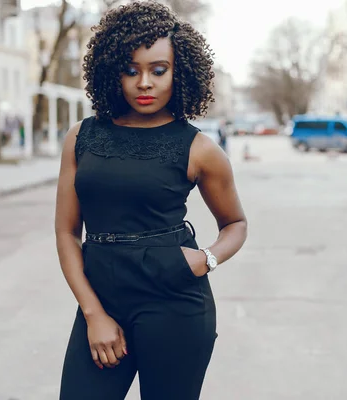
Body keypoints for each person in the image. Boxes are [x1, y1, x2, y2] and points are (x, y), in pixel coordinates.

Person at [54, 2, 247, 399]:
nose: (144, 82)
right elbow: (66, 231)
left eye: (158, 70)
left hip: (173, 297)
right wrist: (93, 314)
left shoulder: (199, 148)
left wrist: (207, 258)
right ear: (113, 71)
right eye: (131, 69)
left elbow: (235, 224)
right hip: (102, 293)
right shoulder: (81, 137)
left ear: (179, 73)